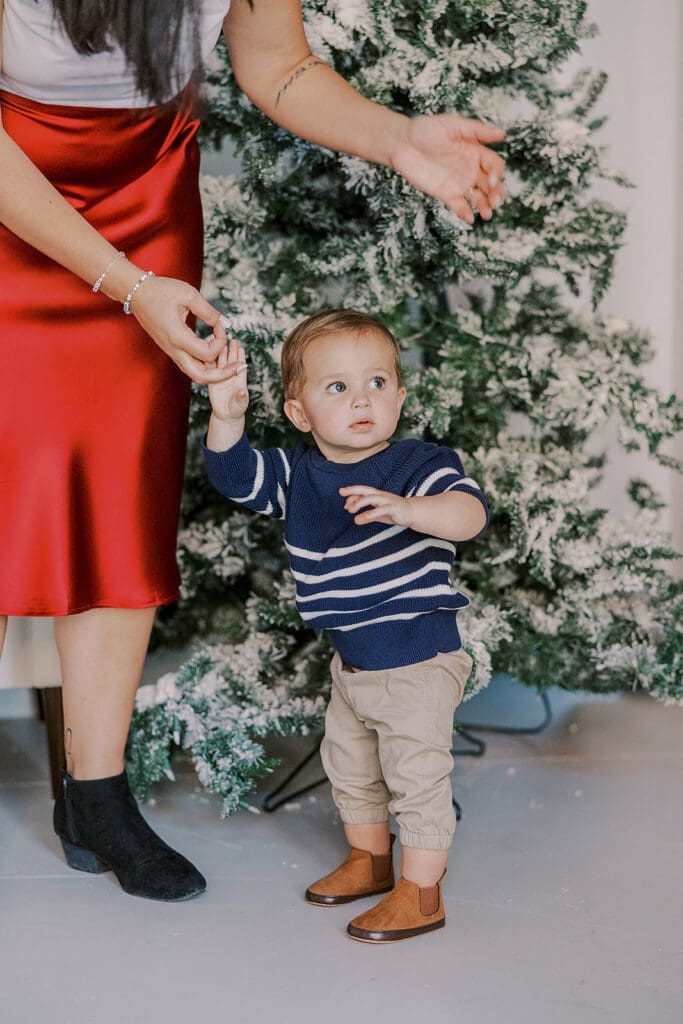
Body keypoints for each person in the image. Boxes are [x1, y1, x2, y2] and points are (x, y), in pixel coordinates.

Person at [0, 0, 503, 902]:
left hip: (145, 203)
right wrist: (125, 285)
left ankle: (96, 798)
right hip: (14, 195)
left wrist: (397, 140)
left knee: (119, 492)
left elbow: (278, 69)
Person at [203, 309, 489, 941]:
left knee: (415, 776)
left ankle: (421, 892)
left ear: (400, 395)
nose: (363, 399)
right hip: (352, 662)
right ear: (301, 412)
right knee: (352, 763)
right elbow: (232, 475)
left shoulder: (418, 464)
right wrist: (227, 415)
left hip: (417, 658)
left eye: (379, 383)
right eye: (338, 387)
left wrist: (410, 511)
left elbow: (469, 515)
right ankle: (370, 859)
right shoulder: (298, 474)